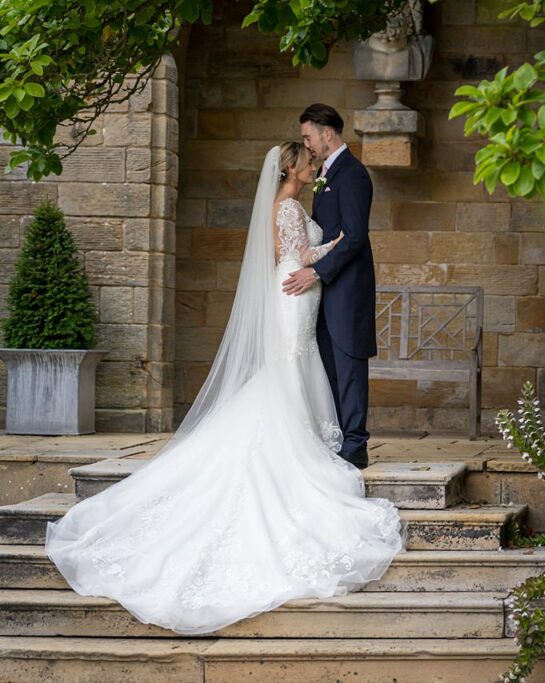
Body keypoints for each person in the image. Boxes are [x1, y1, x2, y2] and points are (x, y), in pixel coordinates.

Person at [44, 142, 407, 635]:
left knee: (290, 371)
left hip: (293, 292)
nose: (314, 168)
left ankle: (290, 435)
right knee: (293, 368)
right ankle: (288, 444)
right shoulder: (292, 206)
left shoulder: (281, 204)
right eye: (307, 163)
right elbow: (298, 255)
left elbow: (284, 255)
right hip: (297, 293)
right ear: (292, 168)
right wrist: (338, 242)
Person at [282, 103, 376, 470]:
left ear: (327, 133)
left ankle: (356, 444)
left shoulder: (352, 174)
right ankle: (339, 437)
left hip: (347, 288)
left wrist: (316, 272)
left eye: (308, 136)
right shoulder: (325, 173)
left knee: (349, 362)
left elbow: (353, 237)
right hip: (326, 290)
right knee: (331, 366)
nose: (307, 145)